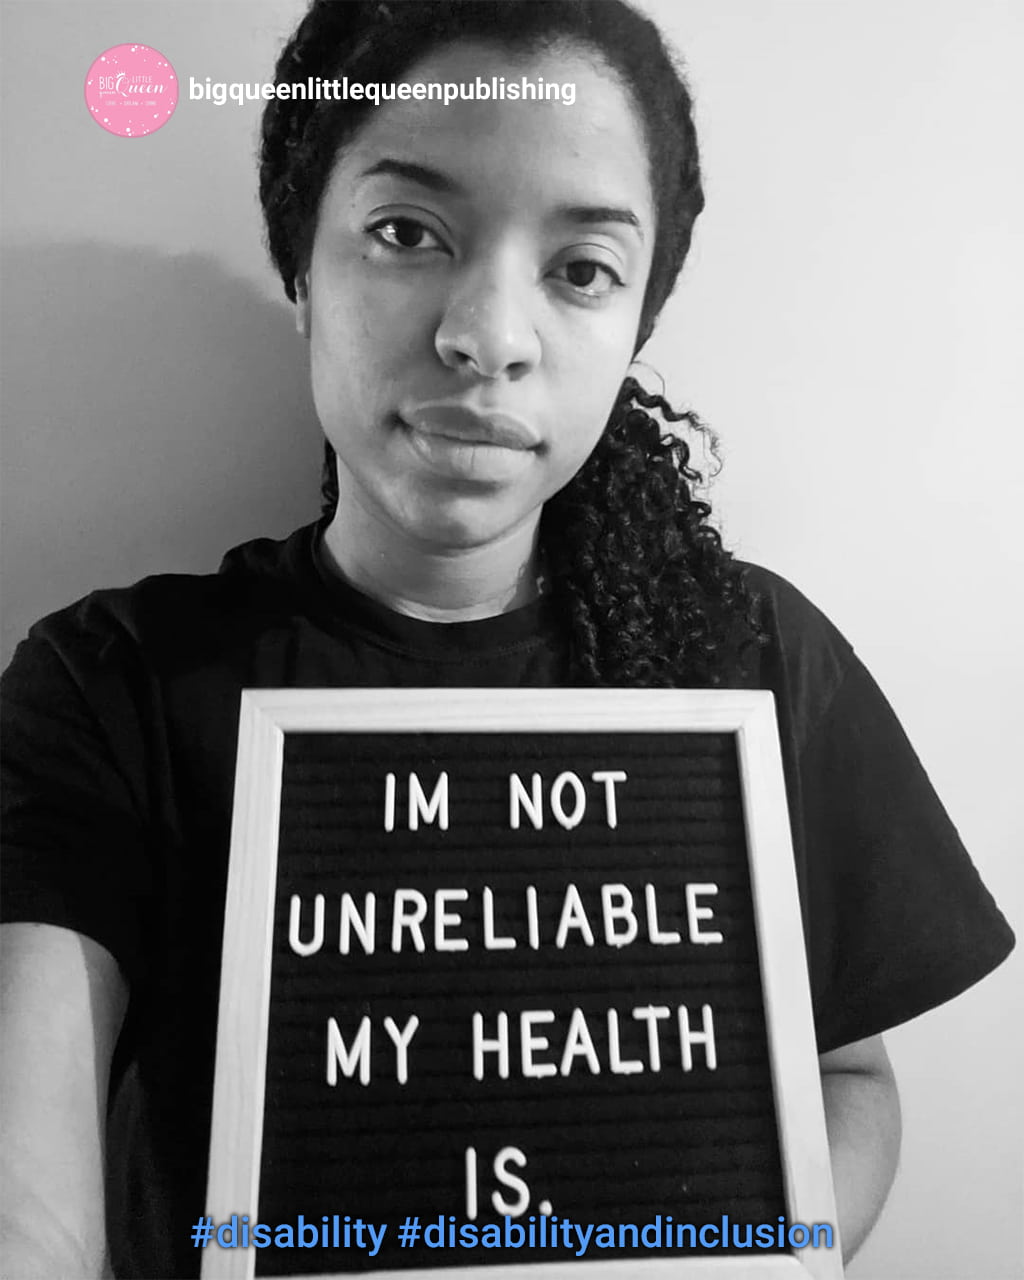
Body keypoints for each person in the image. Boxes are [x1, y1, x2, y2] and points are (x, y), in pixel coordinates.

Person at [0, 1, 1014, 1277]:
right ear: (302, 266)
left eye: (582, 267)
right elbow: (27, 1213)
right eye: (405, 232)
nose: (487, 336)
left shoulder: (750, 653)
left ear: (636, 320)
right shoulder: (111, 686)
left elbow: (846, 1077)